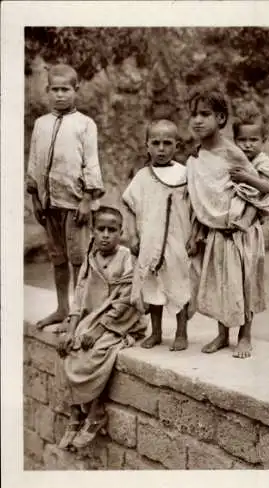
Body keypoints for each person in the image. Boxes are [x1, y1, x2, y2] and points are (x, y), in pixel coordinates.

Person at [187, 86, 269, 358]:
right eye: (193, 114)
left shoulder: (233, 153)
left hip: (241, 232)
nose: (198, 120)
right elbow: (202, 197)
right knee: (219, 284)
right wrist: (196, 231)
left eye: (205, 114)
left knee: (244, 281)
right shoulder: (198, 154)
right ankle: (222, 335)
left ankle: (246, 336)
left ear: (221, 119)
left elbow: (262, 194)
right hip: (215, 233)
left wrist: (244, 220)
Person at [56, 205, 147, 449]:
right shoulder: (90, 257)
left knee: (97, 352)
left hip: (121, 322)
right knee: (69, 347)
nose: (106, 235)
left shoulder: (128, 258)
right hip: (93, 317)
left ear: (121, 232)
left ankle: (96, 412)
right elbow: (80, 293)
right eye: (101, 229)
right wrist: (71, 329)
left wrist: (99, 329)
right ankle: (76, 413)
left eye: (112, 230)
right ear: (93, 231)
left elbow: (127, 299)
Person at [26, 63, 105, 330]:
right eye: (55, 89)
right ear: (47, 91)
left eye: (65, 89)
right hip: (50, 205)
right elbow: (35, 161)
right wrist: (35, 197)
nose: (60, 95)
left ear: (76, 90)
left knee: (79, 259)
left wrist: (86, 199)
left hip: (75, 204)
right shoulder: (41, 124)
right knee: (57, 258)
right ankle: (62, 308)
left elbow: (91, 163)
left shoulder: (85, 124)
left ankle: (81, 312)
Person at [122, 119, 192, 351]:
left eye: (167, 143)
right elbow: (130, 207)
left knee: (179, 284)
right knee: (152, 287)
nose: (161, 149)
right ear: (147, 146)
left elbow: (195, 210)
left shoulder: (185, 175)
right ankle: (157, 332)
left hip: (177, 241)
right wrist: (132, 236)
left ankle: (181, 333)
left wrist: (194, 237)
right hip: (149, 241)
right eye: (156, 143)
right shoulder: (142, 176)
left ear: (177, 146)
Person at [228, 102, 269, 230]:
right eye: (242, 140)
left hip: (257, 204)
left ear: (263, 140)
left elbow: (268, 188)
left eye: (253, 140)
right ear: (235, 140)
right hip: (236, 204)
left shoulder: (264, 162)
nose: (247, 145)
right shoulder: (237, 158)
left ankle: (245, 221)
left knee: (258, 193)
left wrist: (246, 178)